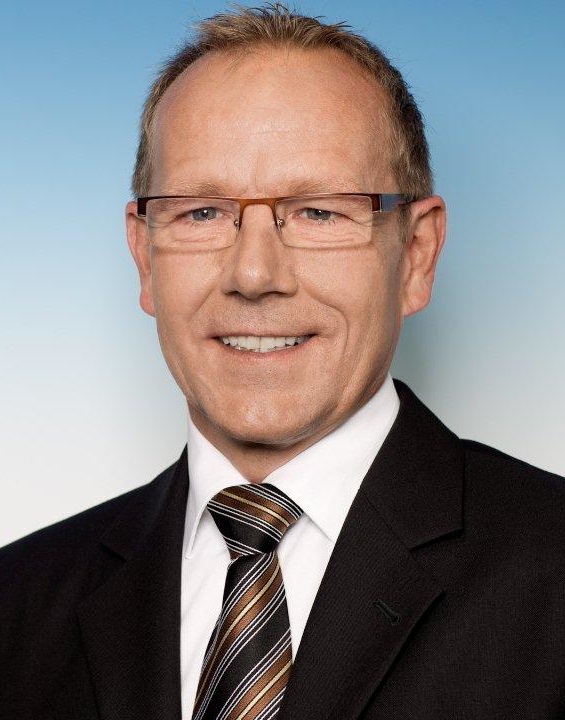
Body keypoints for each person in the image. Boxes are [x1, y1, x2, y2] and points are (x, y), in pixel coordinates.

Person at [1, 5, 564, 719]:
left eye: (318, 212)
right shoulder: (18, 602)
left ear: (416, 256)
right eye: (201, 212)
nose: (254, 274)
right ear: (144, 256)